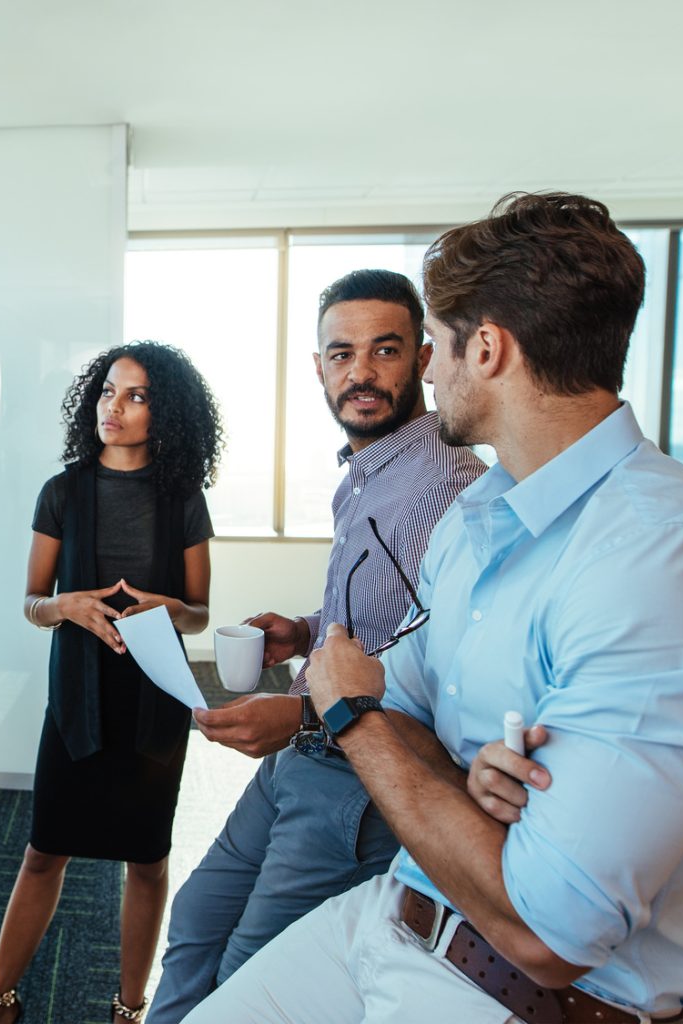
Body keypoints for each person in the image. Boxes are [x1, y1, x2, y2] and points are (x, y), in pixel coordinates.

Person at [185, 192, 683, 1024]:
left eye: (431, 345)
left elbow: (550, 928)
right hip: (393, 917)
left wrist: (363, 719)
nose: (430, 373)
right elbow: (396, 692)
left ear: (487, 347)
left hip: (521, 993)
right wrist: (455, 772)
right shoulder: (481, 520)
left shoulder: (674, 560)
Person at [148, 270, 485, 1022]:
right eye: (341, 354)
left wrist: (299, 716)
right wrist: (305, 630)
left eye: (384, 350)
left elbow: (434, 670)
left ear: (424, 358)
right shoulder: (368, 475)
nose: (360, 372)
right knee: (199, 918)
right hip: (304, 757)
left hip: (356, 776)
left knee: (249, 982)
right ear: (318, 366)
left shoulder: (444, 489)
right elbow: (382, 613)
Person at [0, 341, 224, 1024]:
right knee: (42, 852)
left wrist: (170, 609)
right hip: (79, 700)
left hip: (154, 703)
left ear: (164, 413)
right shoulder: (63, 492)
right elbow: (31, 601)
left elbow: (200, 614)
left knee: (146, 861)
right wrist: (67, 606)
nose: (113, 407)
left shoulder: (181, 501)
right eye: (108, 391)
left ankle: (129, 1006)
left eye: (136, 396)